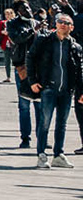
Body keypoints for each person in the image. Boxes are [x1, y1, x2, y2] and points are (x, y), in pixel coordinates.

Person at [28, 12, 82, 168]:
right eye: (60, 22)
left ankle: (58, 154)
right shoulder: (44, 41)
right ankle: (41, 155)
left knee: (61, 124)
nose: (62, 24)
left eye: (66, 23)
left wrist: (81, 90)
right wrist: (33, 81)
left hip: (66, 90)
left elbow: (80, 69)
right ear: (56, 24)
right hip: (48, 88)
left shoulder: (74, 46)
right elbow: (30, 58)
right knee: (45, 122)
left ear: (71, 27)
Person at [9, 0, 40, 150]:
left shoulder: (35, 22)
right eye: (24, 8)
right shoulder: (13, 24)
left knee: (40, 103)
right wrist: (33, 30)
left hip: (38, 67)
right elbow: (18, 38)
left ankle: (42, 136)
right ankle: (25, 138)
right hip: (22, 66)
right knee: (24, 104)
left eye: (28, 7)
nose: (28, 10)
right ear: (18, 11)